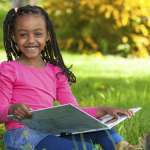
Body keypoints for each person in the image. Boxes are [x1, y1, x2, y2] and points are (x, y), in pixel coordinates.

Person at [0, 5, 149, 150]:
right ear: (14, 37)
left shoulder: (56, 72)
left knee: (102, 131)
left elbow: (76, 113)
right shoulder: (9, 70)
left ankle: (130, 149)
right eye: (23, 34)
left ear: (47, 35)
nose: (31, 40)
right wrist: (12, 109)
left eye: (37, 34)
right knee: (85, 147)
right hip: (23, 135)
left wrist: (104, 110)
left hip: (52, 132)